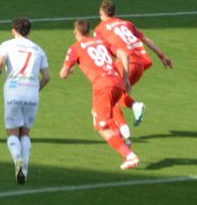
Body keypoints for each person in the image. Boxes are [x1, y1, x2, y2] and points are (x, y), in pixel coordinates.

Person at [60, 19, 139, 170]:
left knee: (101, 127)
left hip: (103, 86)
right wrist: (125, 79)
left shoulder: (75, 48)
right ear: (89, 31)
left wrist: (69, 71)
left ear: (75, 32)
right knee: (103, 116)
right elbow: (124, 54)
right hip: (117, 83)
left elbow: (62, 74)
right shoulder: (101, 41)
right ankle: (123, 141)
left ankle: (129, 155)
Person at [94, 0, 173, 132]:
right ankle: (133, 111)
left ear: (101, 13)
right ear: (115, 13)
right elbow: (146, 39)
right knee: (119, 96)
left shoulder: (99, 29)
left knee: (110, 96)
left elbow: (103, 52)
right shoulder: (127, 23)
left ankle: (124, 129)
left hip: (125, 64)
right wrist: (162, 56)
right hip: (139, 65)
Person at [0, 17, 49, 185]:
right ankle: (25, 168)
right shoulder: (39, 49)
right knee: (25, 133)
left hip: (13, 92)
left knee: (12, 133)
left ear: (13, 30)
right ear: (29, 31)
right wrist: (35, 90)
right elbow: (47, 77)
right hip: (32, 93)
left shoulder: (6, 45)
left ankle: (17, 160)